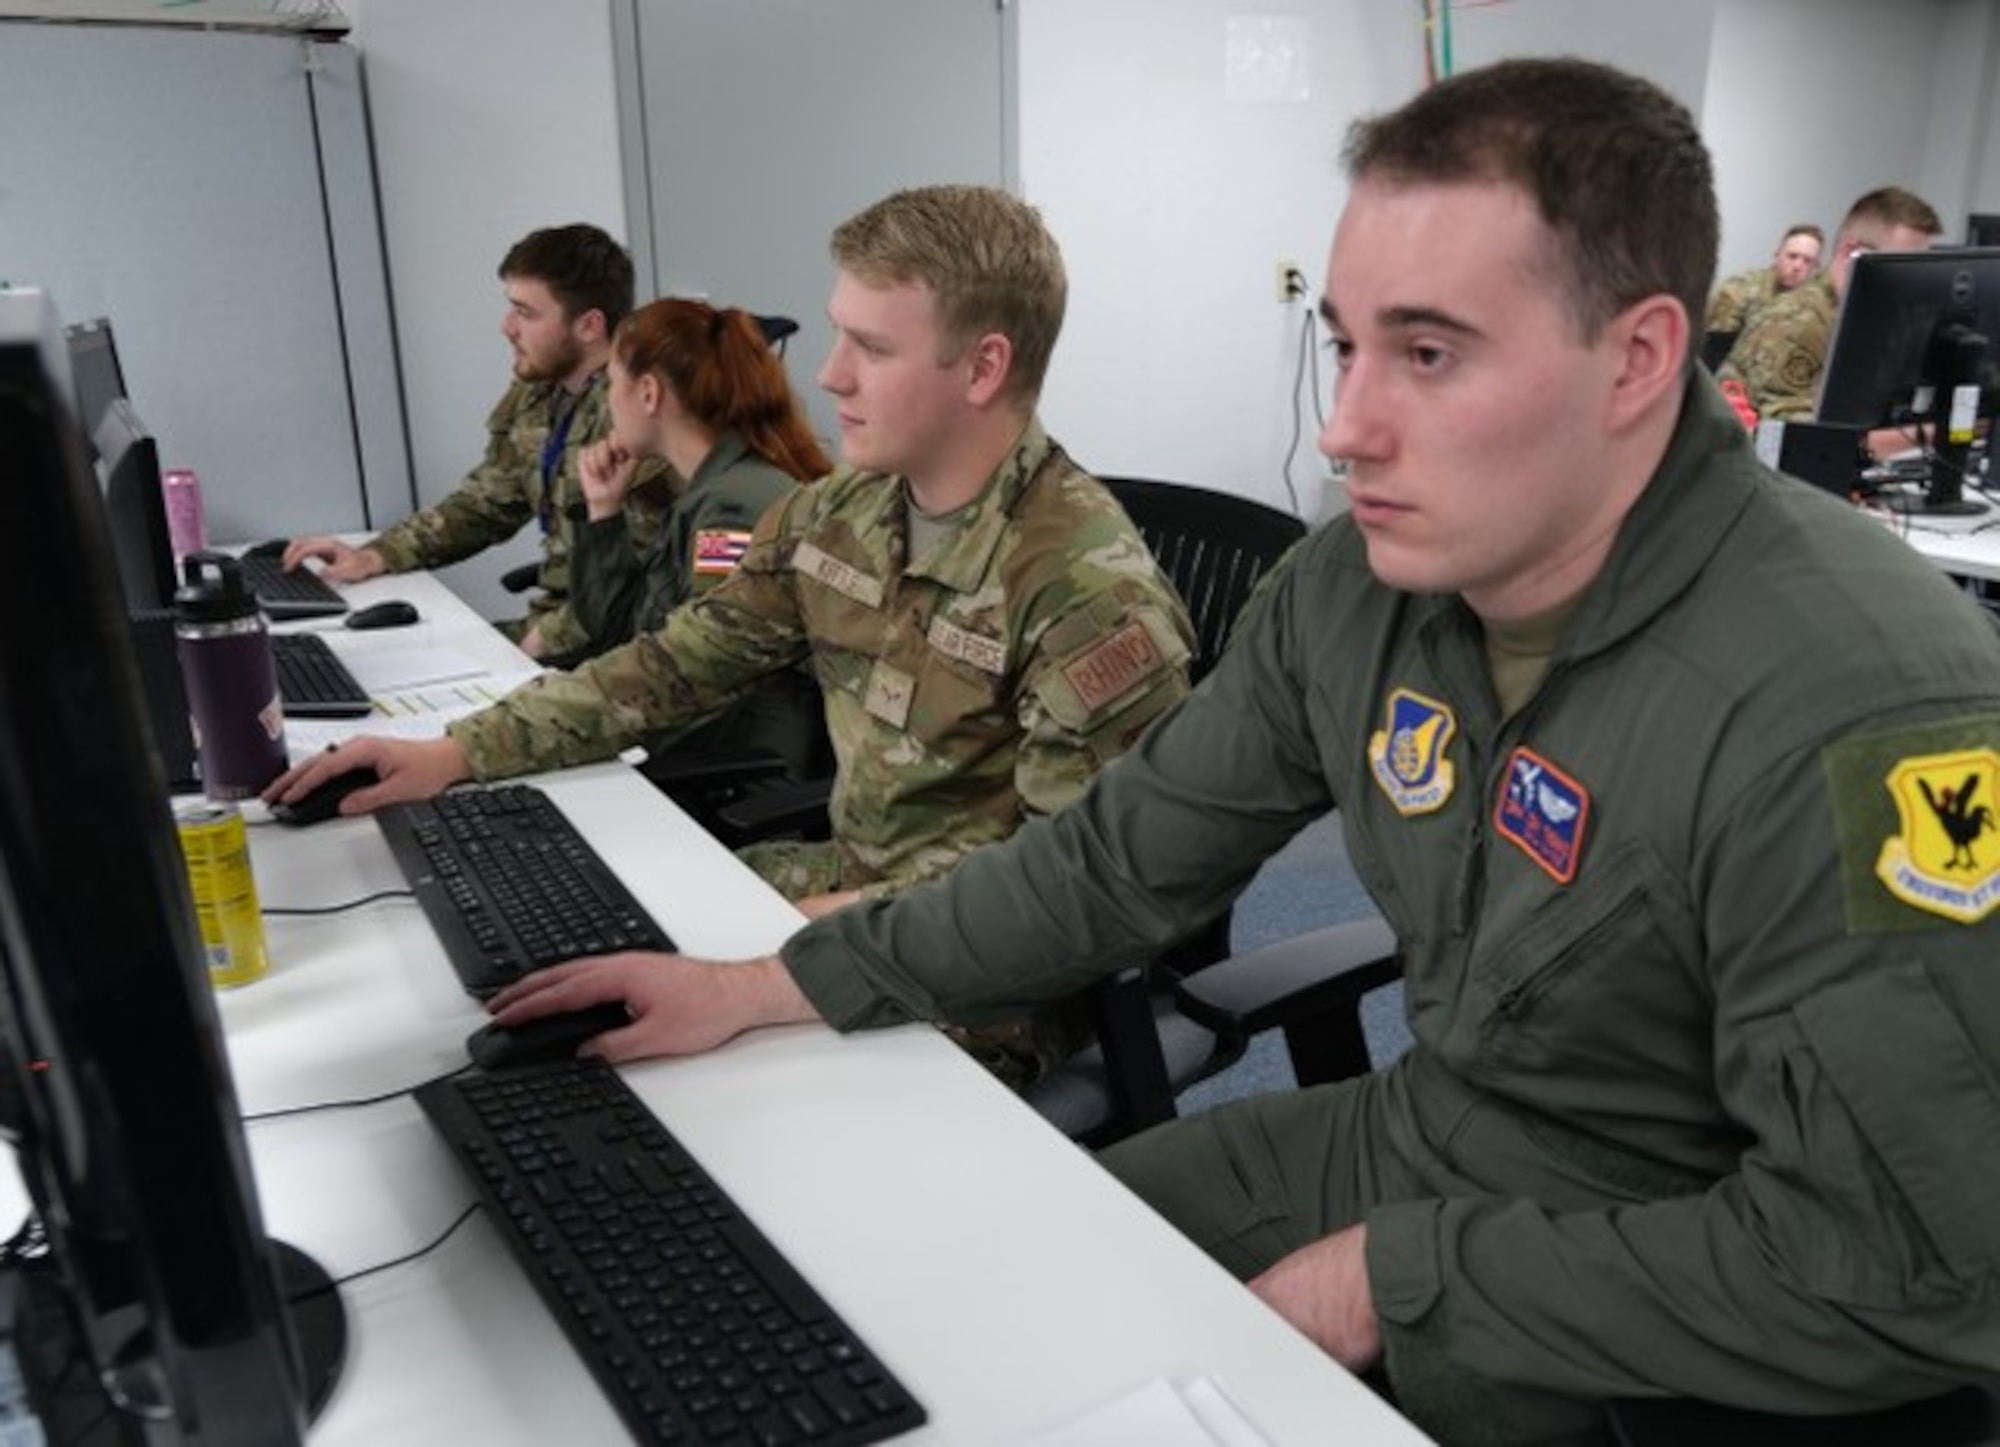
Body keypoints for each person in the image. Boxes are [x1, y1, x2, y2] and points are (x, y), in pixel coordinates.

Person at [475, 59, 2000, 1444]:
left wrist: (1397, 1275)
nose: (1344, 428)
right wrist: (765, 984)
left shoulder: (1862, 698)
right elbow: (1113, 859)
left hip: (1703, 1282)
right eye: (1347, 347)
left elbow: (1909, 1265)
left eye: (1429, 353)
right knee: (991, 1294)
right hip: (1442, 1132)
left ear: (1639, 358)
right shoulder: (1358, 593)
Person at [267, 184, 1197, 1089]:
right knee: (562, 962)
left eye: (870, 346)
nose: (829, 373)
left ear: (983, 368)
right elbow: (676, 662)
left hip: (985, 981)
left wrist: (756, 969)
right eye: (839, 334)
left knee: (658, 1091)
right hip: (850, 881)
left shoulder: (1087, 596)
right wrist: (456, 753)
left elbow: (1055, 894)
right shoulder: (839, 513)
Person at [282, 223, 671, 662]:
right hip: (556, 624)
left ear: (589, 325)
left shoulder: (635, 415)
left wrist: (538, 644)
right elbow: (486, 503)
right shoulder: (540, 390)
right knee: (377, 659)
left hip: (612, 644)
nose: (507, 328)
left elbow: (639, 574)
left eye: (526, 314)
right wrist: (378, 555)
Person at [563, 295, 831, 778]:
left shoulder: (733, 510)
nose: (607, 402)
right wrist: (604, 512)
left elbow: (709, 674)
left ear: (648, 393)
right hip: (704, 750)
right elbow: (624, 634)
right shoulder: (706, 492)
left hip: (733, 775)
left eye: (611, 383)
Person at [1719, 186, 1943, 420]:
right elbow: (1789, 434)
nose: (1911, 283)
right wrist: (1918, 438)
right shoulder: (1796, 321)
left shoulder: (1869, 319)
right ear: (1851, 253)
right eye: (1901, 267)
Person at [1703, 221, 1822, 333]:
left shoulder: (1813, 309)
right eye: (1792, 256)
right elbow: (1716, 344)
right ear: (1777, 255)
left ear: (1815, 267)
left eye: (1807, 261)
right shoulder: (1741, 287)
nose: (1797, 266)